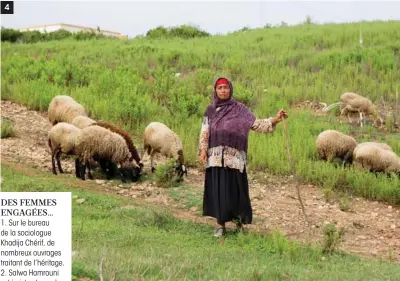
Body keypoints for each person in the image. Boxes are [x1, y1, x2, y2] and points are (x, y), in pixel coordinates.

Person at [198, 77, 288, 237]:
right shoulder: (210, 110)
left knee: (236, 192)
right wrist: (203, 150)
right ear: (215, 90)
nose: (223, 90)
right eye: (220, 88)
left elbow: (257, 124)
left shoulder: (240, 109)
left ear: (230, 89)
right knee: (219, 191)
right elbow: (205, 131)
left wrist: (276, 119)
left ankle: (239, 225)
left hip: (235, 159)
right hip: (216, 158)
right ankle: (220, 226)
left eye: (226, 87)